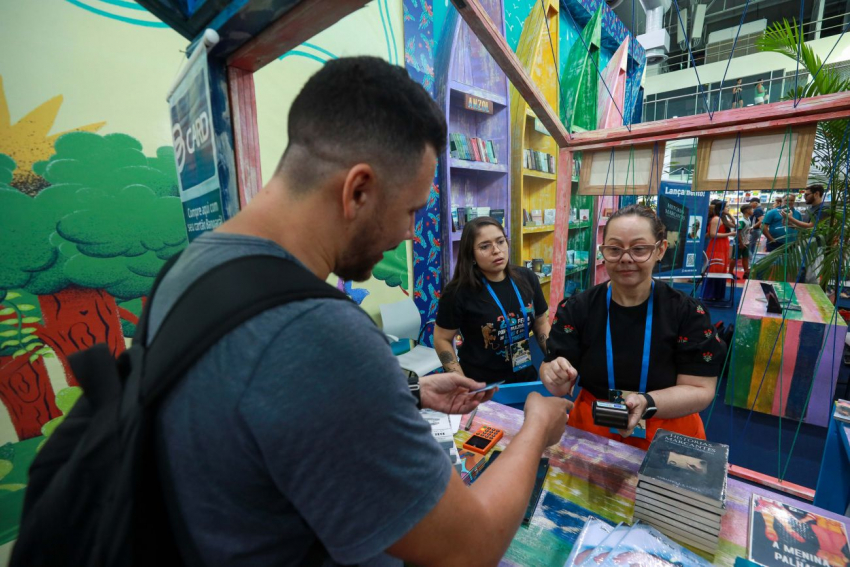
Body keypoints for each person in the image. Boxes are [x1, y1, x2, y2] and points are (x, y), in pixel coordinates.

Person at [147, 57, 571, 566]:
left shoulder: (190, 268)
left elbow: (268, 410)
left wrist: (408, 389)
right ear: (358, 190)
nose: (410, 233)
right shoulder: (320, 334)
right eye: (412, 210)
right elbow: (467, 549)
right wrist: (536, 430)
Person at [538, 205, 726, 450]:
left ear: (660, 250)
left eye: (639, 249)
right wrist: (552, 374)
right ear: (603, 252)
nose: (626, 258)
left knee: (659, 491)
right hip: (595, 428)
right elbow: (558, 380)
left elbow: (700, 389)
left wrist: (647, 402)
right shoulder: (577, 308)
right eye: (614, 249)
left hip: (667, 428)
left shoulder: (687, 312)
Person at [434, 217, 550, 384]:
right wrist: (459, 380)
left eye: (501, 241)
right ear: (471, 254)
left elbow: (540, 322)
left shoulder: (527, 278)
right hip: (480, 386)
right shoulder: (457, 292)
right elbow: (441, 338)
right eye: (484, 246)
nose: (496, 250)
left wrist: (553, 357)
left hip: (525, 378)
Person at [783, 184, 827, 284]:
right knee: (801, 273)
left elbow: (812, 226)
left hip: (816, 246)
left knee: (812, 277)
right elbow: (804, 228)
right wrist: (789, 223)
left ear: (816, 194)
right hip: (805, 244)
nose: (805, 197)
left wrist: (791, 218)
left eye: (807, 195)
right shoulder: (810, 209)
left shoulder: (823, 208)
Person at [703, 200, 736, 301]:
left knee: (721, 269)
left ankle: (717, 294)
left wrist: (729, 215)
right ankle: (709, 294)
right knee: (715, 268)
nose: (728, 208)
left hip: (723, 246)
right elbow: (713, 234)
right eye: (727, 207)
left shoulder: (723, 218)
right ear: (721, 208)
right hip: (716, 246)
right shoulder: (716, 219)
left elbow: (735, 225)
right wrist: (729, 234)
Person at [732, 204, 753, 280]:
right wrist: (741, 243)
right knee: (735, 258)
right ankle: (730, 272)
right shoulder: (742, 220)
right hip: (739, 243)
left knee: (745, 257)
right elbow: (738, 232)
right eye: (751, 209)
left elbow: (745, 230)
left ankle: (746, 272)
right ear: (747, 210)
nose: (752, 211)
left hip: (746, 242)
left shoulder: (748, 219)